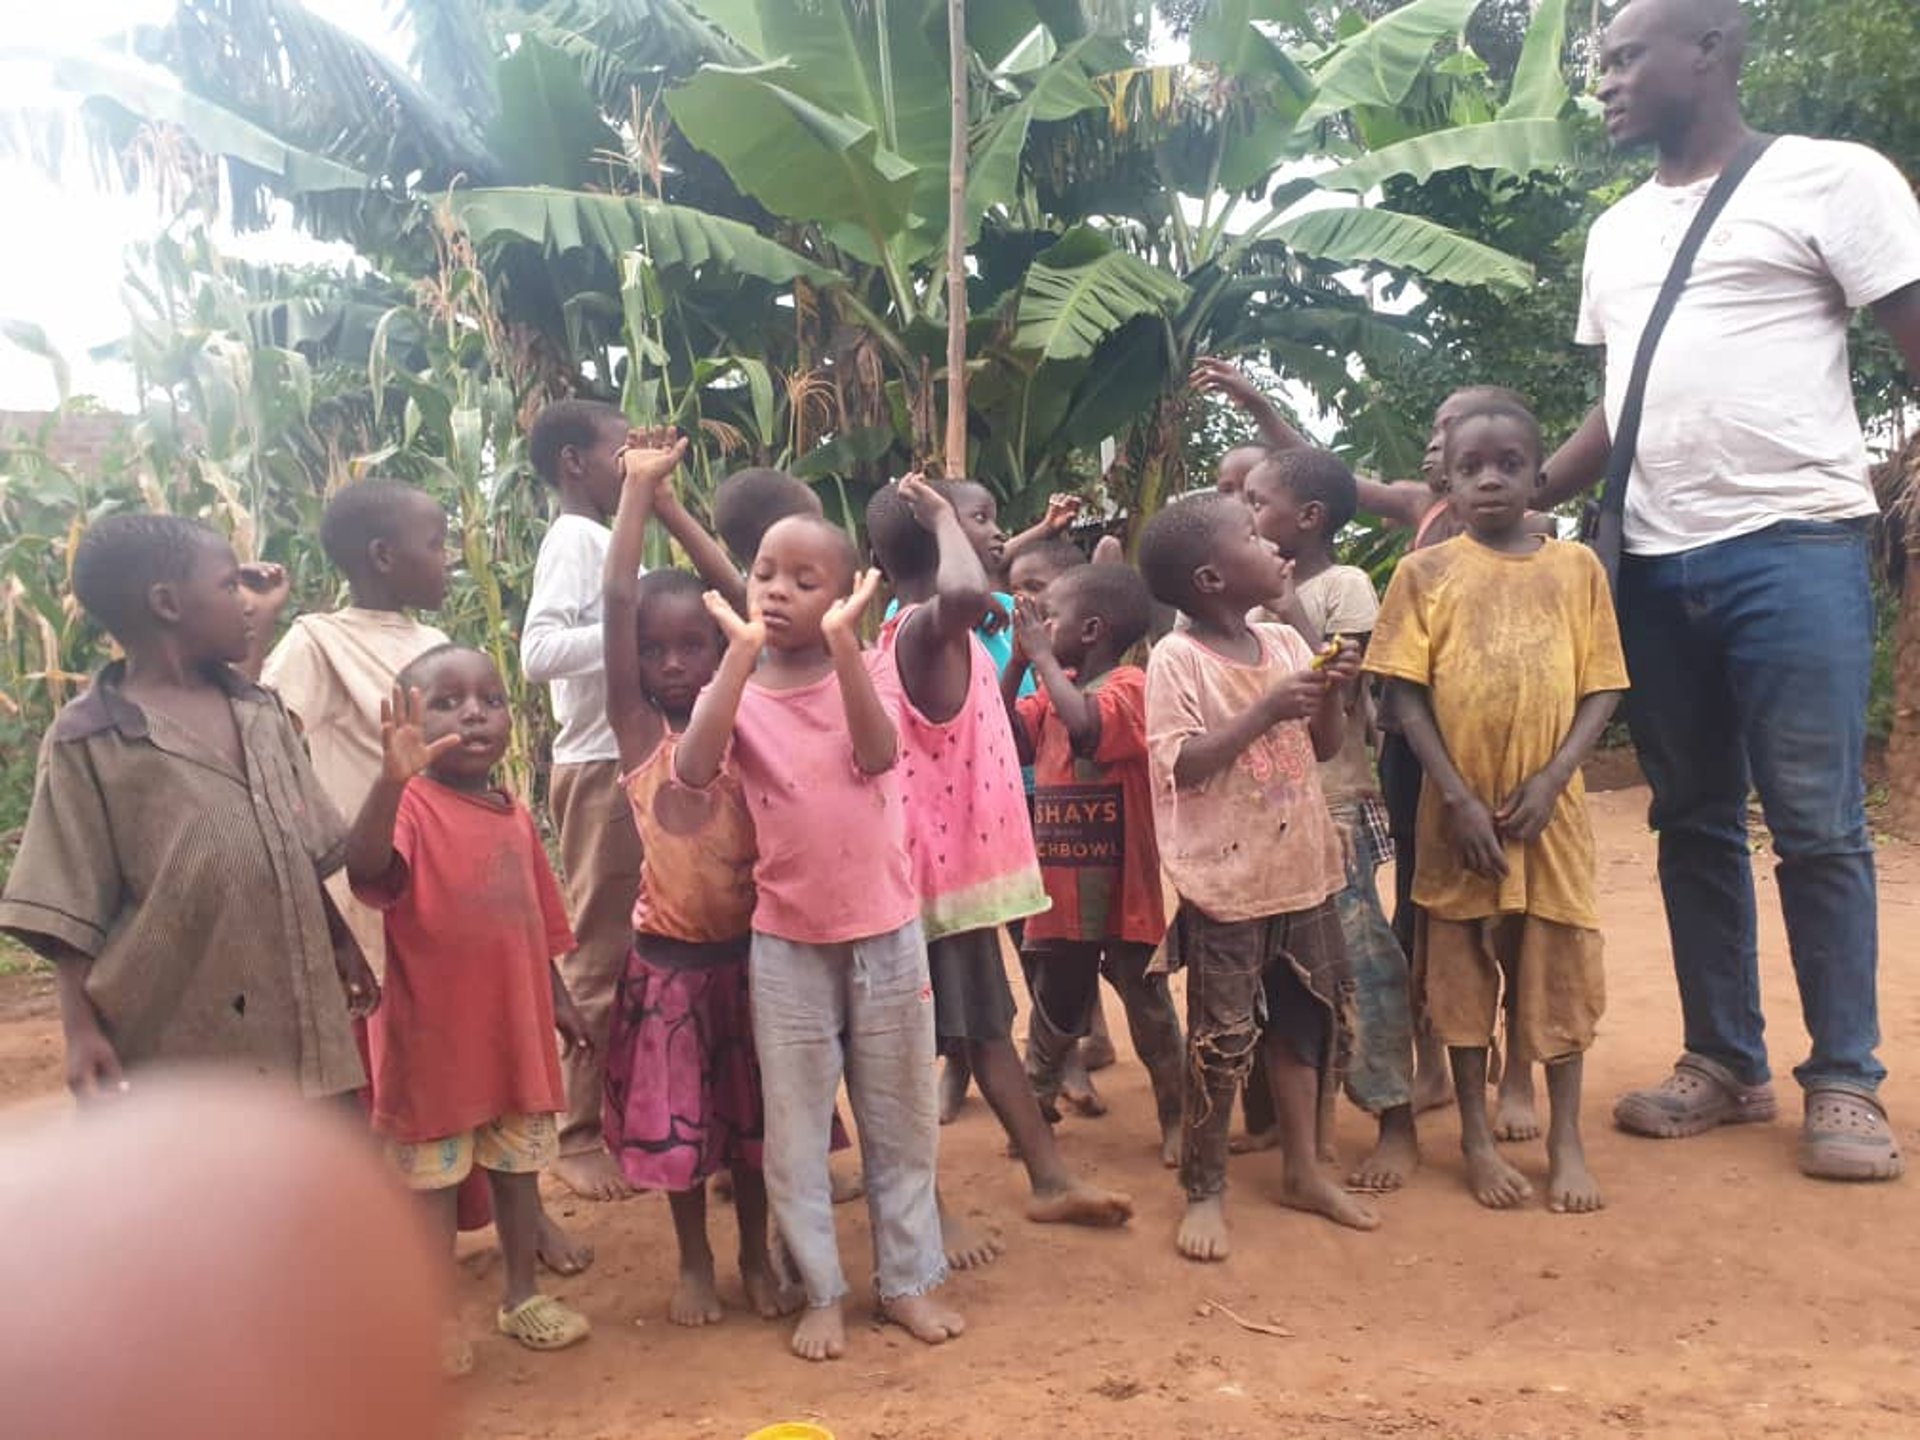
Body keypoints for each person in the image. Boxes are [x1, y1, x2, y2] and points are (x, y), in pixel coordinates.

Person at [1535, 0, 1920, 1181]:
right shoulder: (1614, 234)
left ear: (1710, 51)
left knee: (1816, 821)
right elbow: (1628, 402)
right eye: (1598, 59)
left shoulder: (1830, 179)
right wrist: (1519, 493)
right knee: (1688, 817)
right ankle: (1723, 1060)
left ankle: (1846, 1078)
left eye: (1624, 55)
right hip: (1650, 556)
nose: (1601, 78)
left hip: (1794, 545)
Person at [1197, 356, 1545, 1132]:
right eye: (1442, 440)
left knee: (1515, 910)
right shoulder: (1426, 506)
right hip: (1417, 739)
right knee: (1426, 908)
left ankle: (1509, 1072)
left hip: (1501, 746)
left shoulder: (1541, 547)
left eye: (1449, 429)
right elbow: (1324, 476)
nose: (1436, 447)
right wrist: (1261, 407)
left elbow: (1319, 495)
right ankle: (1427, 1064)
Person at [252, 482, 589, 1273]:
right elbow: (267, 743)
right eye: (436, 543)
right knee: (409, 1079)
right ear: (382, 556)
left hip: (463, 892)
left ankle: (520, 1222)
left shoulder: (433, 640)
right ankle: (398, 1250)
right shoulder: (315, 641)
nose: (448, 558)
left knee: (492, 1058)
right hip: (375, 891)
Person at [674, 512, 963, 1363]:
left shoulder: (867, 669)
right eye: (766, 572)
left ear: (845, 595)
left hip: (886, 932)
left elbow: (877, 757)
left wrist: (846, 650)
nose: (778, 591)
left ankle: (909, 1281)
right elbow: (692, 771)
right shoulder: (738, 690)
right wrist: (733, 656)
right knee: (795, 1130)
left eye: (806, 581)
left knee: (900, 1119)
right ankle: (820, 1289)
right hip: (788, 943)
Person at [0, 514, 374, 1102]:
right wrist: (78, 1029)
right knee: (212, 1182)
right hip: (177, 1035)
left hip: (304, 1019)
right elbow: (70, 903)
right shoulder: (91, 739)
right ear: (167, 603)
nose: (247, 604)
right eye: (228, 586)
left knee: (322, 1170)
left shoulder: (260, 711)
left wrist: (341, 940)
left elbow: (294, 845)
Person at [1367, 395, 1627, 1214]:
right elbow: (1405, 697)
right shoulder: (1423, 573)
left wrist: (1552, 781)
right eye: (1471, 467)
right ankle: (1476, 1141)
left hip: (1552, 819)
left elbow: (1603, 688)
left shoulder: (1576, 568)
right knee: (1459, 977)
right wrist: (1456, 797)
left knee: (1556, 972)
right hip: (1458, 819)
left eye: (1508, 465)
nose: (1488, 481)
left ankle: (1566, 1140)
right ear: (1443, 475)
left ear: (1539, 475)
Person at [868, 476, 1134, 1270]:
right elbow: (958, 588)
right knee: (909, 1053)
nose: (995, 532)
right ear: (935, 534)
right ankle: (926, 1210)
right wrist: (946, 517)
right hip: (921, 885)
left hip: (956, 883)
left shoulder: (952, 630)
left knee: (986, 1033)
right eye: (977, 519)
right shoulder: (919, 628)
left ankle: (1049, 1178)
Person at [1140, 493, 1380, 1261]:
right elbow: (1183, 762)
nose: (1270, 540)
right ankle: (1205, 1190)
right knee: (1222, 1037)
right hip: (1228, 885)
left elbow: (1322, 746)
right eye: (1250, 534)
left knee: (1305, 1021)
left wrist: (1330, 689)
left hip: (1302, 870)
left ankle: (1305, 1169)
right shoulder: (1177, 660)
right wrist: (1268, 709)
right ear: (1212, 577)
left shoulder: (1280, 641)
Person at [597, 432, 801, 1327]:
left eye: (694, 646)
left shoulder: (745, 715)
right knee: (682, 1134)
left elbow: (739, 597)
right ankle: (693, 1262)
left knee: (754, 1136)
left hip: (753, 963)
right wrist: (637, 493)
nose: (675, 662)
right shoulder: (641, 734)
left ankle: (756, 1255)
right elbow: (614, 601)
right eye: (656, 650)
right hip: (671, 968)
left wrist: (676, 506)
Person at [346, 646, 595, 1370]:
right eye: (449, 703)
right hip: (435, 1049)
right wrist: (389, 782)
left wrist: (560, 999)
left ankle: (522, 1296)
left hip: (514, 1039)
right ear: (411, 724)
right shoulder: (414, 807)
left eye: (489, 699)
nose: (475, 713)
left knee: (518, 1174)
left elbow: (537, 924)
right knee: (433, 1188)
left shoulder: (513, 813)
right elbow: (367, 869)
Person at [1241, 449, 1420, 1193]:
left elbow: (1343, 691)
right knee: (1266, 962)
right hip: (1260, 809)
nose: (1245, 516)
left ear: (1308, 518)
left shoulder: (1342, 587)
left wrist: (1288, 614)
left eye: (1256, 501)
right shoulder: (1239, 602)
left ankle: (1395, 1117)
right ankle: (1283, 1116)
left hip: (1332, 804)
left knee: (1362, 960)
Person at [1001, 562, 1185, 1166]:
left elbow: (1087, 728)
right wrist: (1017, 663)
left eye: (1052, 616)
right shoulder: (1053, 690)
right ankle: (1036, 1105)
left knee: (1149, 1005)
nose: (1041, 624)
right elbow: (1006, 732)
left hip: (1123, 890)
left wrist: (1041, 661)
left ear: (1092, 629)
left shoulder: (1129, 684)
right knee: (1055, 1000)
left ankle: (1177, 1115)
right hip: (1064, 893)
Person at [521, 398, 645, 1203]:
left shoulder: (603, 537)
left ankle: (620, 1117)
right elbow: (538, 653)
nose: (631, 463)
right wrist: (635, 632)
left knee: (639, 949)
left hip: (624, 762)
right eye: (620, 450)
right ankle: (575, 1134)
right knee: (599, 951)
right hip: (600, 768)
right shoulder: (575, 540)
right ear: (574, 461)